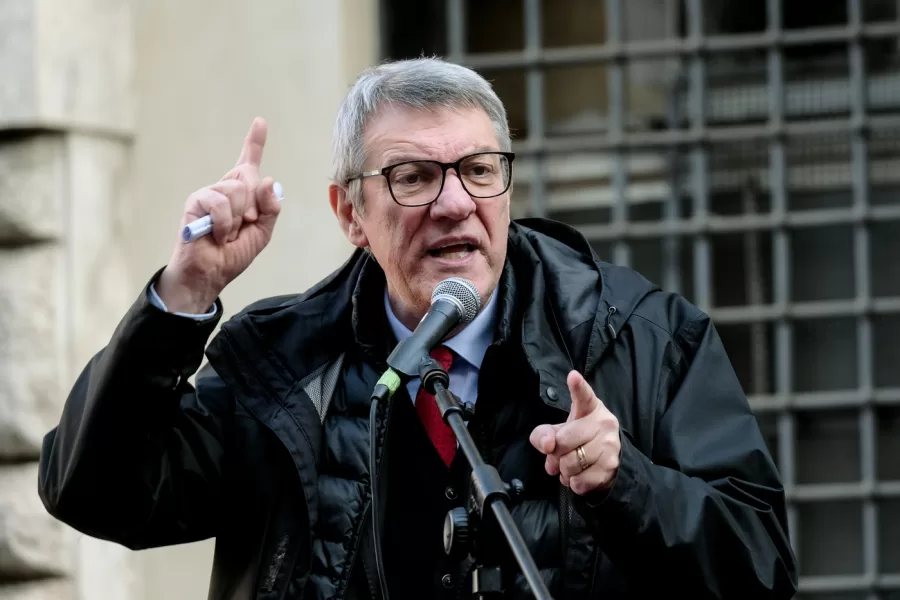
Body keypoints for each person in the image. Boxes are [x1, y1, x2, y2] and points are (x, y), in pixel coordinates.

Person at [38, 57, 798, 599]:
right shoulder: (280, 366)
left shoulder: (639, 337)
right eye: (413, 177)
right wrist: (185, 292)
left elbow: (761, 568)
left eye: (477, 169)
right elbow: (94, 492)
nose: (454, 203)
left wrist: (623, 481)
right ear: (350, 216)